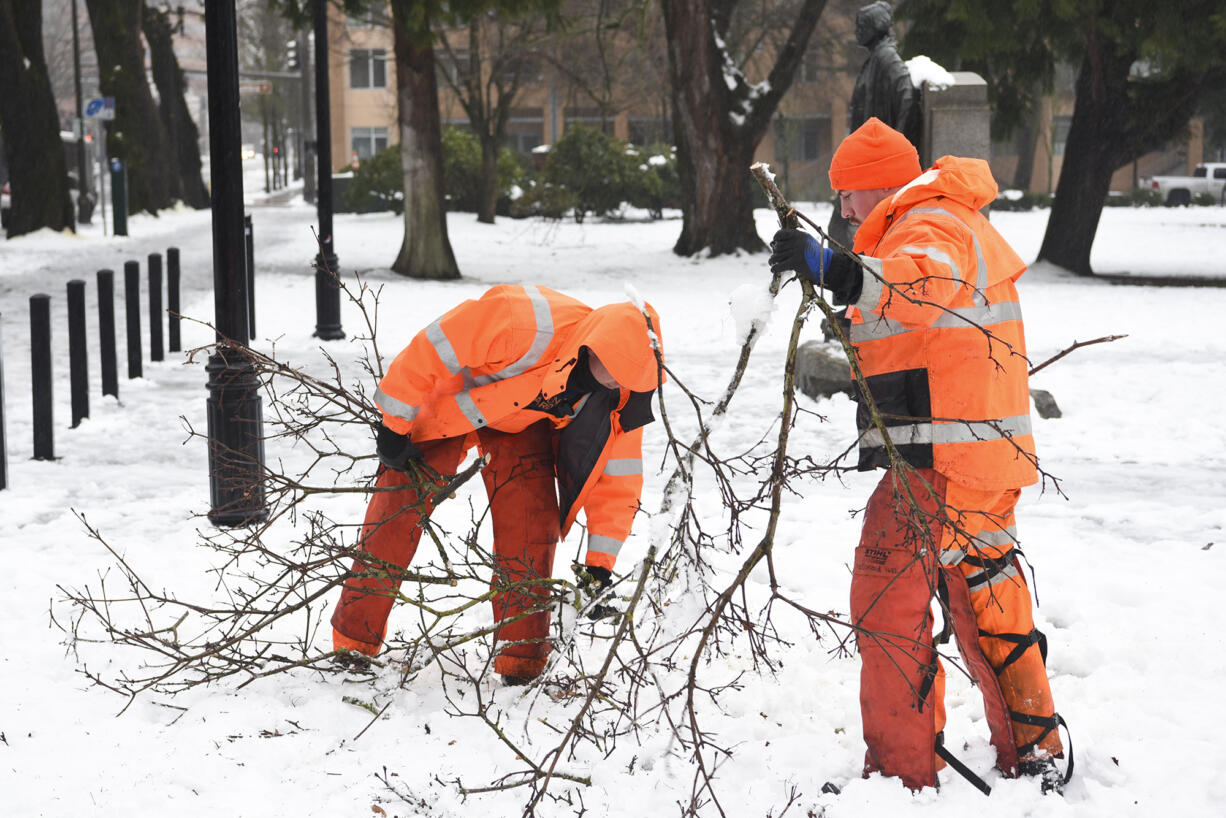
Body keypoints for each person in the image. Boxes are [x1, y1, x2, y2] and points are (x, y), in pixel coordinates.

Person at [768, 118, 1069, 793]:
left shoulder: (926, 224)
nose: (842, 209)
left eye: (847, 193)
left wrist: (836, 268)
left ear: (878, 184)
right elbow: (920, 328)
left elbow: (921, 285)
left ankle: (901, 774)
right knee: (986, 598)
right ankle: (1034, 748)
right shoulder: (954, 220)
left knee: (885, 600)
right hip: (981, 457)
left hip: (939, 460)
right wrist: (849, 315)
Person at [330, 284, 663, 684]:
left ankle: (521, 662)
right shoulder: (519, 321)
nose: (618, 384)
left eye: (630, 379)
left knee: (532, 527)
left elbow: (619, 476)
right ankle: (353, 644)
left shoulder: (621, 395)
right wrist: (394, 424)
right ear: (596, 348)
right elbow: (433, 347)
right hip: (447, 404)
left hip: (520, 423)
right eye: (616, 373)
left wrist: (599, 566)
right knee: (397, 513)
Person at [829, 1, 922, 249]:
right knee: (841, 227)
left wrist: (895, 145)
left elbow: (906, 93)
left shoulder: (886, 57)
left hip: (873, 166)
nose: (857, 31)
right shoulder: (875, 58)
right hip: (863, 164)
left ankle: (850, 276)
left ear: (877, 27)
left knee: (843, 228)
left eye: (863, 26)